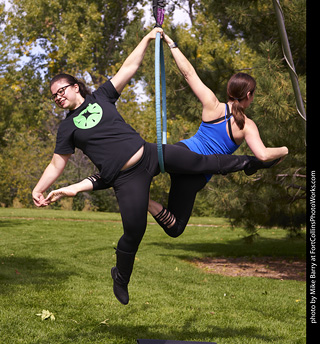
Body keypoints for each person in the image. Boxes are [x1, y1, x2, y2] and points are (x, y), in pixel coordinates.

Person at [33, 28, 286, 305]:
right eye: (53, 95)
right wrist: (40, 187)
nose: (57, 97)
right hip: (125, 177)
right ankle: (121, 276)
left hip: (150, 155)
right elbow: (58, 163)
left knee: (200, 161)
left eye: (61, 90)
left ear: (75, 87)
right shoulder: (67, 127)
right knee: (134, 230)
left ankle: (249, 163)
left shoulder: (101, 96)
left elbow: (130, 67)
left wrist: (148, 38)